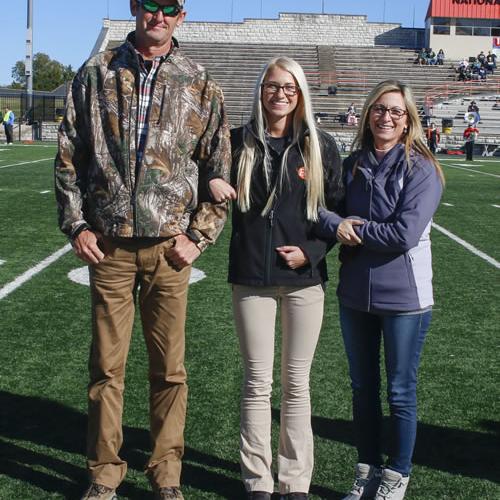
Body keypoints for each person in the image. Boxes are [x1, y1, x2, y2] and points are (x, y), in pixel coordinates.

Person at [54, 1, 231, 499]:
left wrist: (199, 237)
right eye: (148, 4)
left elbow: (219, 167)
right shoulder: (96, 72)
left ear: (182, 14)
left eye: (168, 6)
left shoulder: (199, 81)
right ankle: (104, 474)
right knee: (106, 369)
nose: (157, 14)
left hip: (169, 251)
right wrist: (77, 227)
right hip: (108, 247)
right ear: (135, 8)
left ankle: (166, 475)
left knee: (169, 370)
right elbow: (69, 154)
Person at [209, 57, 343, 499]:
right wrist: (209, 180)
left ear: (300, 92)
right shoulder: (236, 142)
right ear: (260, 90)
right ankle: (257, 481)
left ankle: (294, 480)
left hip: (305, 280)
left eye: (288, 86)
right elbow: (195, 173)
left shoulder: (321, 146)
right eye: (271, 85)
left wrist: (311, 252)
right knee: (256, 380)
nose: (280, 93)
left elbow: (334, 216)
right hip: (251, 277)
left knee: (297, 381)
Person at [316, 80, 444, 500]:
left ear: (409, 120)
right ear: (367, 114)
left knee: (400, 390)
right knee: (362, 388)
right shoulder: (352, 163)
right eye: (378, 109)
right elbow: (322, 209)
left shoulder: (423, 168)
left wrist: (356, 228)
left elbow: (405, 233)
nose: (386, 117)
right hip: (355, 294)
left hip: (405, 297)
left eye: (395, 111)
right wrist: (337, 224)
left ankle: (397, 477)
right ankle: (367, 470)